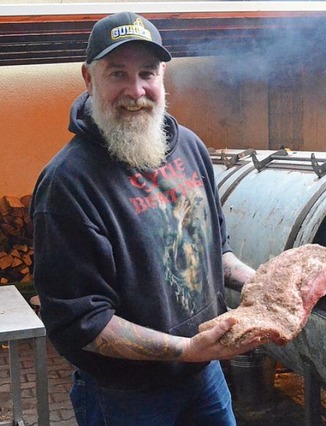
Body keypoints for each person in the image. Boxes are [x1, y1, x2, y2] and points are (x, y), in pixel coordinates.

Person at [30, 11, 262, 425]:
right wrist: (187, 348)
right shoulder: (68, 185)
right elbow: (82, 322)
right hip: (127, 397)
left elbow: (215, 250)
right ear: (89, 78)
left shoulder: (189, 146)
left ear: (162, 78)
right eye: (117, 73)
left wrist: (262, 284)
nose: (135, 91)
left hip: (204, 376)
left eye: (147, 73)